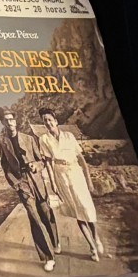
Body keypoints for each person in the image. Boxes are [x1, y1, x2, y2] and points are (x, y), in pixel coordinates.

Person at [0, 107, 59, 272]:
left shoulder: (29, 139)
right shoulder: (2, 142)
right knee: (34, 217)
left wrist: (36, 166)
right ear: (2, 122)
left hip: (36, 180)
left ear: (15, 121)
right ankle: (48, 256)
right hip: (22, 183)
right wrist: (16, 185)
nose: (10, 123)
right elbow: (5, 166)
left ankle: (55, 241)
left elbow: (41, 160)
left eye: (11, 119)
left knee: (46, 212)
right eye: (6, 120)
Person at [36, 110, 103, 261]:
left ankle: (96, 237)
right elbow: (48, 163)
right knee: (77, 212)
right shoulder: (44, 139)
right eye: (44, 120)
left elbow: (81, 159)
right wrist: (53, 184)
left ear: (56, 120)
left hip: (76, 173)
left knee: (86, 208)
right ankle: (92, 247)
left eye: (49, 119)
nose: (47, 122)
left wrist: (89, 179)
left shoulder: (69, 136)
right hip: (61, 176)